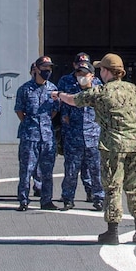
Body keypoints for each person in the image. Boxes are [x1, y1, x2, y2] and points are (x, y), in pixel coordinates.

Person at [56, 53, 136, 245]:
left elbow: (74, 100)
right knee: (135, 188)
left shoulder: (101, 92)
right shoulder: (134, 90)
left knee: (113, 188)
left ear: (106, 71)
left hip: (113, 147)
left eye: (101, 69)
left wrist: (59, 95)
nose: (99, 72)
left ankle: (112, 233)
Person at [57, 53, 104, 210]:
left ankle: (98, 197)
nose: (81, 75)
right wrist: (64, 119)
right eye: (79, 69)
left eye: (85, 70)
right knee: (71, 170)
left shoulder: (97, 85)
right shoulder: (66, 81)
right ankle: (68, 198)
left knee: (95, 170)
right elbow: (61, 102)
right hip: (73, 133)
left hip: (93, 134)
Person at [14, 55, 59, 211]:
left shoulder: (53, 89)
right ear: (37, 69)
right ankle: (24, 200)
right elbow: (19, 110)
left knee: (47, 171)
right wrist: (30, 123)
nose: (47, 71)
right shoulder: (25, 89)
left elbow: (54, 111)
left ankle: (46, 200)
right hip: (30, 135)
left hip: (47, 136)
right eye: (44, 68)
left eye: (49, 68)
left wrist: (44, 122)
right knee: (26, 169)